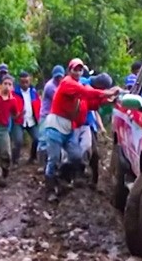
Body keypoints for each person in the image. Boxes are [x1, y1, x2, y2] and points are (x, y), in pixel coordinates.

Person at [42, 58, 120, 200]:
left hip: (69, 128)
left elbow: (90, 102)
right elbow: (87, 93)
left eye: (80, 70)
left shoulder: (78, 90)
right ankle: (50, 190)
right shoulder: (68, 83)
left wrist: (109, 100)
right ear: (69, 70)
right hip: (55, 126)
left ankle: (62, 179)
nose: (77, 72)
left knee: (76, 156)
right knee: (53, 159)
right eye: (75, 69)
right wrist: (108, 93)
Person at [11, 71, 41, 164]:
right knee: (18, 141)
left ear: (30, 81)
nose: (25, 84)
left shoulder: (33, 92)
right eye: (22, 82)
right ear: (19, 82)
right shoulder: (14, 93)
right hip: (19, 120)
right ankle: (15, 160)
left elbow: (38, 104)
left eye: (26, 82)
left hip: (31, 119)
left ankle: (33, 157)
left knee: (37, 139)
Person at [37, 64, 65, 163]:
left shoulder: (61, 85)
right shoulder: (50, 86)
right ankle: (42, 163)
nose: (58, 79)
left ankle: (52, 161)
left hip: (55, 116)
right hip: (46, 115)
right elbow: (60, 100)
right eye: (57, 77)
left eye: (60, 77)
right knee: (43, 139)